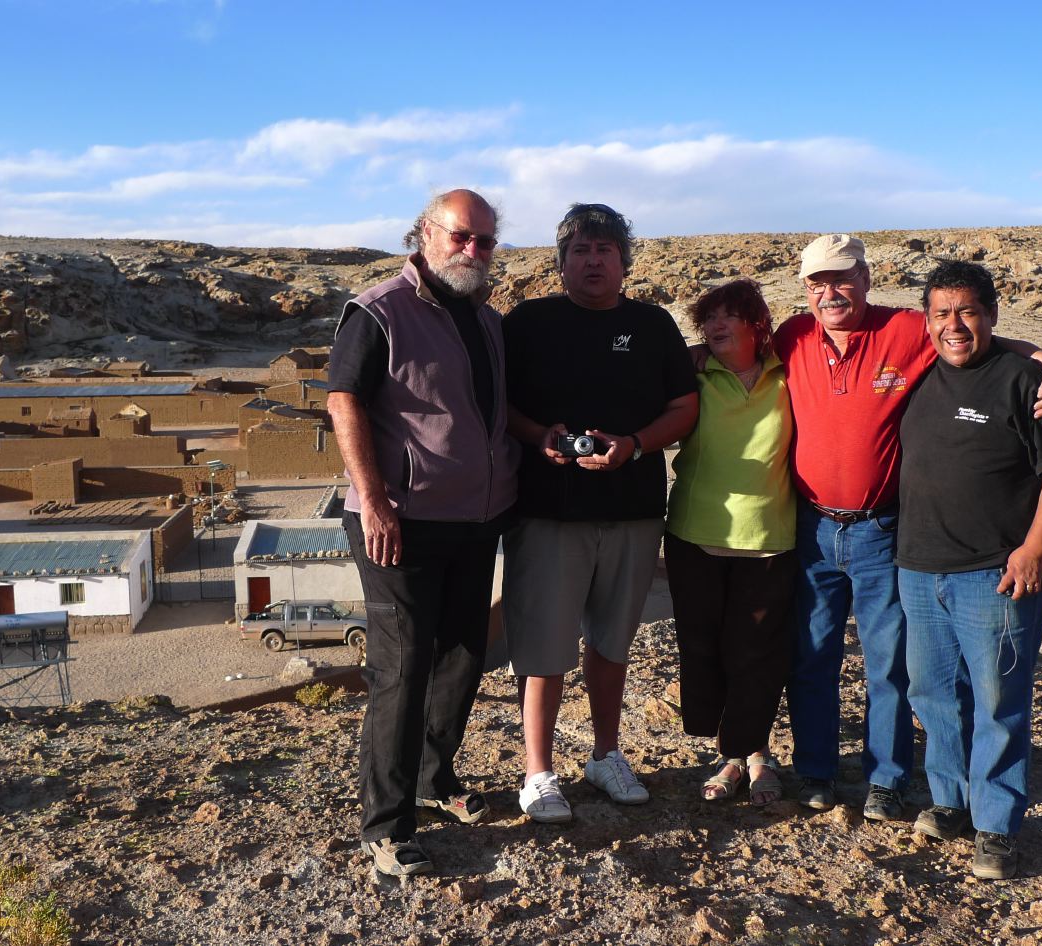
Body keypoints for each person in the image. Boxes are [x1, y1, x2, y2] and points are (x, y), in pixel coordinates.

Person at [778, 234, 1042, 821]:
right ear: (806, 289)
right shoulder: (792, 335)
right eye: (818, 283)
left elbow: (973, 331)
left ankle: (887, 779)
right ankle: (815, 770)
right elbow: (724, 346)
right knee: (812, 655)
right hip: (811, 528)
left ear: (866, 277)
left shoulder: (907, 329)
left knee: (890, 662)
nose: (830, 293)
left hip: (882, 530)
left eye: (842, 279)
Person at [328, 189, 519, 877]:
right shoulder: (380, 310)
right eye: (463, 236)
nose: (474, 251)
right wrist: (374, 500)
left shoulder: (487, 318)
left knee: (464, 654)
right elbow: (342, 398)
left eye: (486, 241)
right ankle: (385, 825)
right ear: (425, 234)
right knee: (403, 665)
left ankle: (437, 778)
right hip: (399, 521)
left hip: (474, 518)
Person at [502, 203, 698, 823]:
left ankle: (605, 754)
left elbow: (684, 406)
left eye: (605, 250)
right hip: (548, 513)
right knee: (545, 647)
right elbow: (496, 404)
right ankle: (539, 772)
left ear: (624, 261)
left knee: (613, 643)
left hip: (632, 509)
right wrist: (540, 437)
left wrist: (635, 446)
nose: (593, 261)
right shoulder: (527, 322)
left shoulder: (652, 323)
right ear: (561, 262)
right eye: (581, 250)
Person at [898, 260, 1042, 879]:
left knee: (998, 700)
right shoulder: (919, 369)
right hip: (920, 568)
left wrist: (1035, 547)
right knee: (932, 693)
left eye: (968, 312)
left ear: (992, 316)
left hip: (996, 574)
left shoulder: (1025, 380)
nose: (955, 326)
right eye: (942, 313)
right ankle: (949, 800)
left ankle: (996, 825)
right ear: (928, 320)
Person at [664, 278, 796, 805]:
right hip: (696, 536)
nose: (716, 326)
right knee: (704, 651)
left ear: (757, 323)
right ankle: (731, 754)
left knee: (757, 655)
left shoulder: (792, 373)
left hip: (770, 539)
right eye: (708, 319)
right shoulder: (694, 373)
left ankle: (754, 755)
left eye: (729, 316)